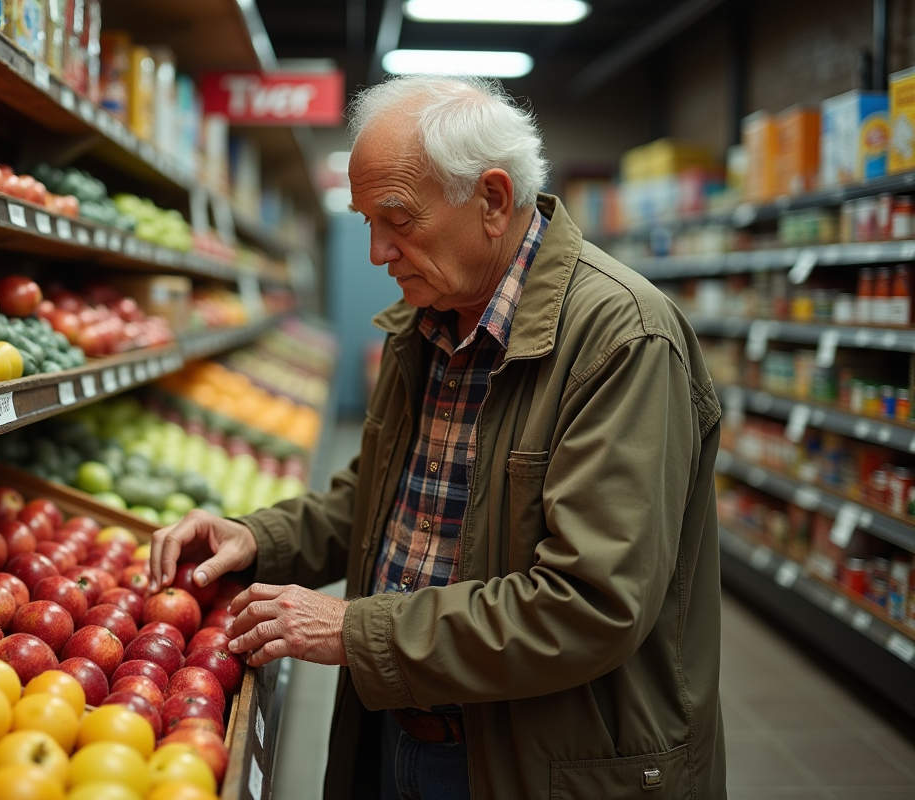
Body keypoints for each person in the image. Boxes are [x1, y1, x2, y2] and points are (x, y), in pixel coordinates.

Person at [149, 74, 727, 800]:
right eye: (365, 221)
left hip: (543, 762)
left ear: (492, 200)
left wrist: (356, 632)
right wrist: (256, 538)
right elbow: (379, 496)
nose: (376, 252)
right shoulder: (429, 321)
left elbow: (590, 603)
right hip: (404, 727)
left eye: (397, 219)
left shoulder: (622, 340)